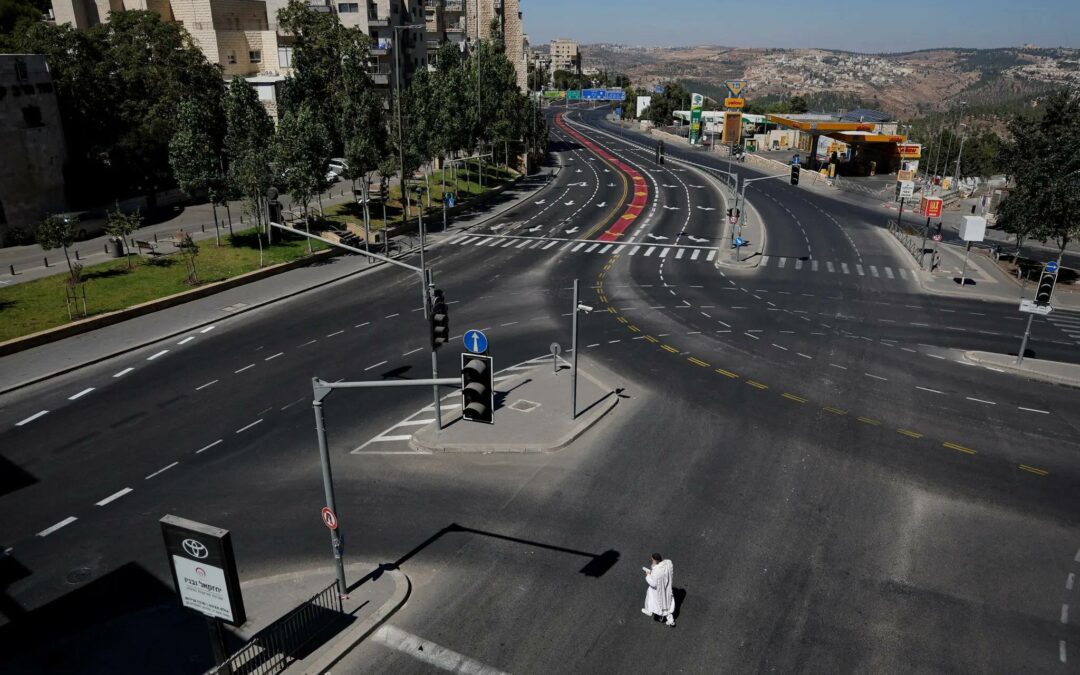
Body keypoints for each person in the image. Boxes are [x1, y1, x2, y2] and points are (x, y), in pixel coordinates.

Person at [641, 553, 675, 626]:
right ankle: (670, 619)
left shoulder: (656, 571)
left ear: (655, 560)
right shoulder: (668, 563)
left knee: (654, 602)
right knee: (667, 604)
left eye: (652, 560)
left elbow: (653, 584)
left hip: (658, 592)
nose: (651, 561)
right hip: (667, 588)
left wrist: (648, 575)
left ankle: (649, 611)